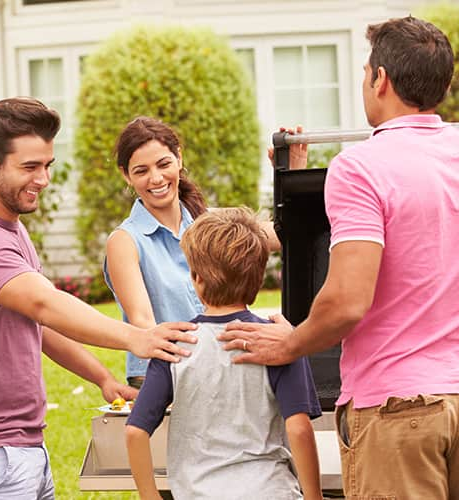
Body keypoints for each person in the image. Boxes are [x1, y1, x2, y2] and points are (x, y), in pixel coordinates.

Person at [218, 16, 459, 499]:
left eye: (365, 70)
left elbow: (348, 300)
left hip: (399, 409)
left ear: (380, 79)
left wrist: (290, 345)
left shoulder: (361, 167)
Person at [0, 97, 199, 499]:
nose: (44, 179)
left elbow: (38, 325)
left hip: (18, 445)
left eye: (46, 165)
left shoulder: (8, 228)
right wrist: (136, 337)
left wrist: (100, 377)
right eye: (29, 167)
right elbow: (44, 304)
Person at [125, 208, 322, 500]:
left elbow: (135, 433)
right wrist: (314, 497)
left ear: (196, 278)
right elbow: (300, 429)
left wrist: (149, 495)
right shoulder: (279, 341)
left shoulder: (175, 345)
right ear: (258, 281)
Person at [105, 117, 306, 389]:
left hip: (223, 369)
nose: (156, 178)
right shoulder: (125, 241)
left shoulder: (207, 223)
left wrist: (292, 175)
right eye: (141, 171)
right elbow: (144, 325)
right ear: (126, 175)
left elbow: (284, 237)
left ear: (179, 158)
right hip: (165, 377)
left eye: (164, 164)